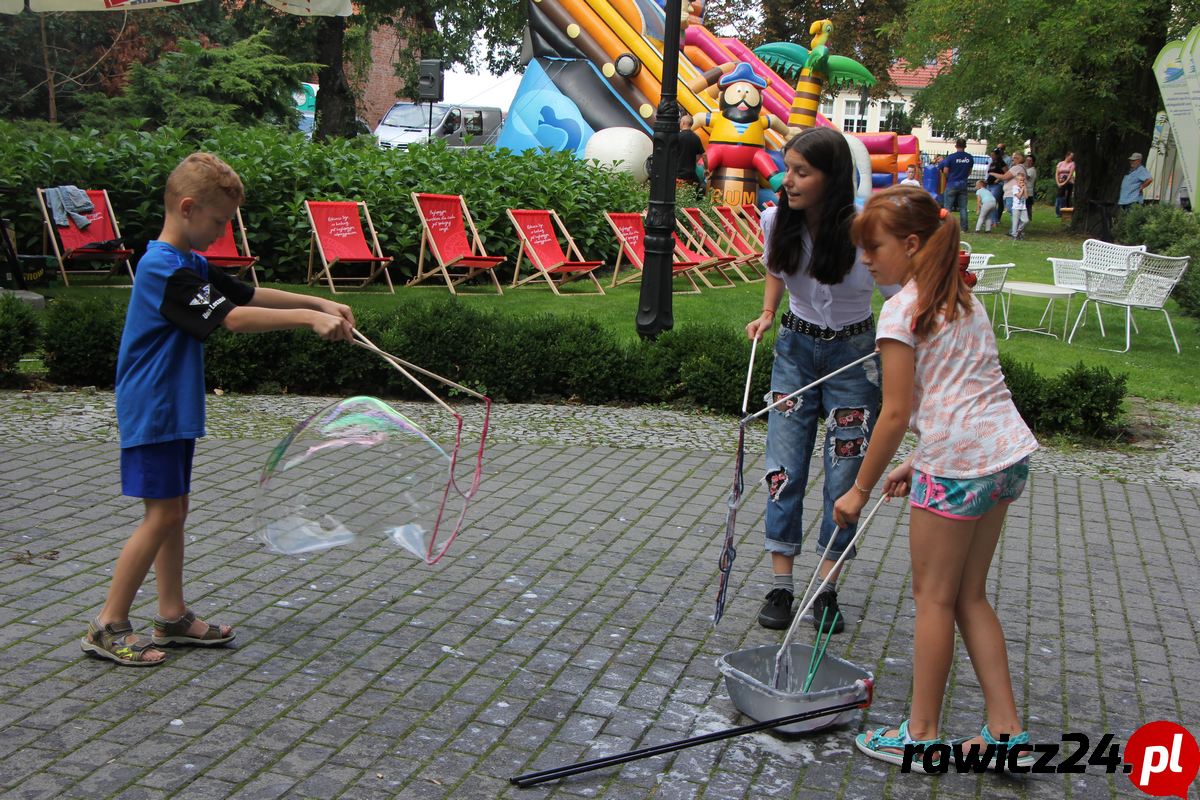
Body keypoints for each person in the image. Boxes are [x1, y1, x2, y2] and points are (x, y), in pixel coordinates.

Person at [80, 153, 356, 666]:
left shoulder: (189, 264)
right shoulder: (163, 269)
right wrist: (306, 319)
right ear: (187, 208)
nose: (222, 232)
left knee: (174, 512)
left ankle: (172, 616)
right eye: (218, 222)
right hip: (153, 409)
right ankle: (108, 624)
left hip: (172, 408)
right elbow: (232, 319)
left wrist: (318, 303)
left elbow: (248, 293)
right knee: (162, 514)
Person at [834, 185, 1039, 771]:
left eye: (873, 248)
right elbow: (961, 396)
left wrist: (859, 488)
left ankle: (920, 734)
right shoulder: (961, 300)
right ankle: (1006, 733)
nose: (866, 260)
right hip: (1002, 459)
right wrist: (914, 463)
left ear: (913, 243)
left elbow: (896, 414)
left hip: (957, 467)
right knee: (969, 596)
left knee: (932, 600)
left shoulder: (902, 313)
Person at [744, 127, 899, 634]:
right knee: (783, 469)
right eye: (787, 168)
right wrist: (767, 312)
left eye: (800, 172)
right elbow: (775, 267)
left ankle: (825, 590)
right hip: (794, 350)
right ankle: (782, 587)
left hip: (856, 357)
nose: (786, 180)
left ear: (831, 180)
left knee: (844, 476)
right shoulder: (775, 220)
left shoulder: (863, 230)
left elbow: (899, 291)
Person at [939, 138, 975, 232]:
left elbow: (946, 171)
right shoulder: (969, 157)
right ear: (965, 146)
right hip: (963, 183)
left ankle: (947, 227)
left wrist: (949, 177)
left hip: (952, 183)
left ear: (956, 146)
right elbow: (969, 171)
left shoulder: (951, 157)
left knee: (948, 207)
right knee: (963, 207)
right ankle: (964, 228)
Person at [990, 153, 1027, 228]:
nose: (1012, 159)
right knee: (1012, 211)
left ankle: (1017, 229)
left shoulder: (1017, 167)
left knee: (1012, 211)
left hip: (1012, 193)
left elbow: (1005, 177)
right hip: (1011, 193)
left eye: (1014, 158)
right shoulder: (1020, 168)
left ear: (1018, 159)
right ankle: (1015, 230)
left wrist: (993, 174)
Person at [676, 113, 706, 192]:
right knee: (689, 197)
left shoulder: (677, 137)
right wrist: (707, 169)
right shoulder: (696, 138)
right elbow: (704, 155)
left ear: (682, 123)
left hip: (678, 174)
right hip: (691, 176)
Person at [984, 149, 1007, 227]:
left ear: (997, 155)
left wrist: (998, 179)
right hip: (989, 184)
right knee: (988, 202)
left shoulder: (1001, 163)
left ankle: (994, 221)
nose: (992, 156)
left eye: (993, 155)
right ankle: (990, 220)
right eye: (991, 155)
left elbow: (1006, 172)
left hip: (997, 185)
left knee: (992, 202)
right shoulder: (992, 163)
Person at [1055, 151, 1075, 217]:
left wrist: (1065, 182)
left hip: (1068, 182)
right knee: (1059, 197)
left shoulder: (1072, 164)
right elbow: (1057, 173)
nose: (1071, 158)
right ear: (1067, 156)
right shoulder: (1060, 163)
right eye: (1070, 156)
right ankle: (1058, 212)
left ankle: (1067, 213)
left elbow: (1070, 174)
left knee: (1067, 198)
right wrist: (1058, 182)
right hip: (1060, 182)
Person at [1010, 174, 1029, 239]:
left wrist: (1025, 189)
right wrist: (1022, 190)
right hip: (1016, 207)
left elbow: (1026, 197)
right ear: (1017, 181)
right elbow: (1019, 196)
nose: (1022, 181)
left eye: (1023, 180)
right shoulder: (1015, 187)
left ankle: (1019, 230)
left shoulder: (1024, 187)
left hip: (1023, 207)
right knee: (1015, 222)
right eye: (1020, 180)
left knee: (1025, 220)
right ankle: (1014, 235)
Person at [1023, 154, 1038, 220]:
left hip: (1029, 192)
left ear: (1033, 162)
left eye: (1030, 161)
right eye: (1027, 160)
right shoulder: (1026, 169)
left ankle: (1028, 218)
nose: (1028, 162)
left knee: (1027, 206)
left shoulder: (1032, 170)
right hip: (1024, 191)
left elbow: (1026, 177)